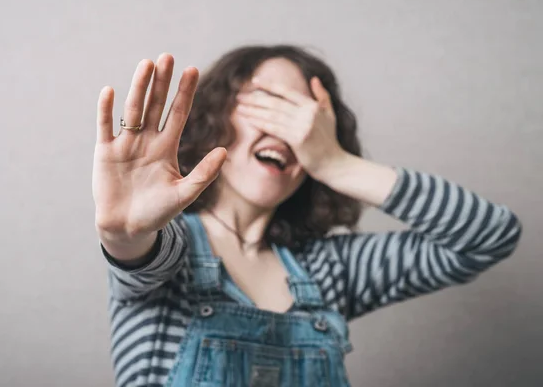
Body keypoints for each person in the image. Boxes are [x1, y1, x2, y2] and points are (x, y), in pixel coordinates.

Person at [92, 45, 522, 387]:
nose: (287, 127)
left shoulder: (331, 268)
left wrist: (336, 164)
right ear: (213, 115)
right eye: (268, 101)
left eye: (305, 115)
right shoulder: (173, 247)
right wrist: (123, 233)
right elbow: (136, 251)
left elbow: (490, 234)